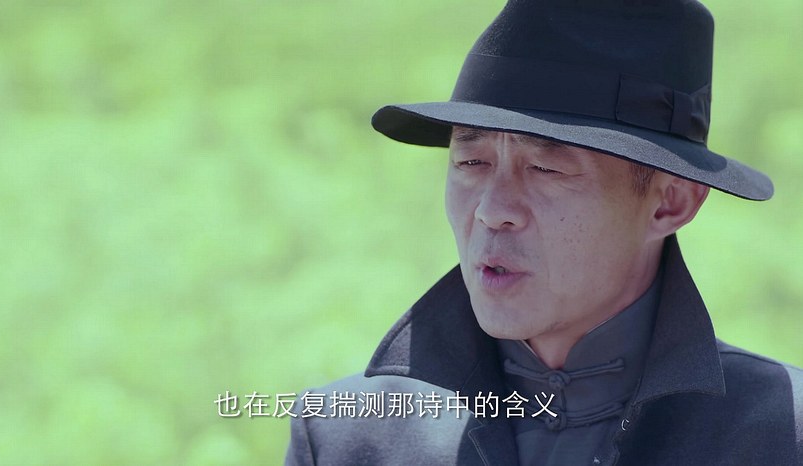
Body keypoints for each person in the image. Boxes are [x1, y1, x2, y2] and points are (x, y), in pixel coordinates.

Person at [285, 1, 803, 464]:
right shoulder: (348, 437)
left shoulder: (782, 436)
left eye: (546, 169)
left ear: (670, 202)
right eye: (470, 161)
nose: (492, 211)